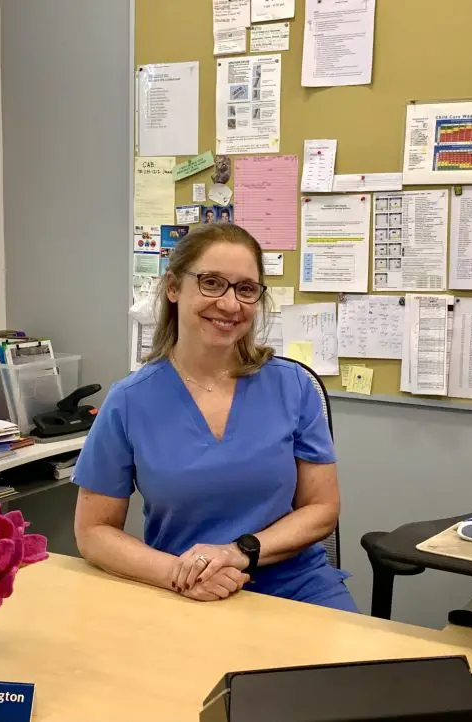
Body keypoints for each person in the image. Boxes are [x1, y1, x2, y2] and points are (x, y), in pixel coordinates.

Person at [73, 223, 358, 612]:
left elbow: (322, 508)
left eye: (245, 289)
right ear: (173, 288)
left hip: (298, 588)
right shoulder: (130, 400)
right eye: (211, 283)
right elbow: (93, 531)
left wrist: (240, 553)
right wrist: (178, 574)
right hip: (183, 588)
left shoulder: (293, 387)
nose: (229, 304)